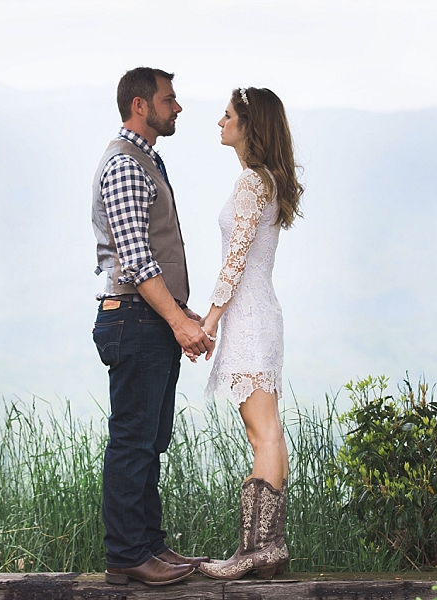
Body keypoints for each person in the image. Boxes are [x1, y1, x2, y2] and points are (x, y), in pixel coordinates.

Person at [91, 67, 214, 586]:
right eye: (170, 98)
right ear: (140, 105)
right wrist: (179, 323)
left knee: (150, 438)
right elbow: (138, 262)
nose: (178, 107)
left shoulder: (145, 159)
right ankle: (125, 555)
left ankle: (148, 546)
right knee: (133, 439)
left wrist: (183, 317)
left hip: (151, 320)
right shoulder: (123, 164)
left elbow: (151, 258)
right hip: (134, 320)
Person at [195, 87, 304, 580]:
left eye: (228, 115)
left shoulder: (249, 184)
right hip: (262, 314)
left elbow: (234, 260)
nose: (220, 121)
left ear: (248, 125)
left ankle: (256, 550)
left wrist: (208, 322)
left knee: (262, 434)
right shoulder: (266, 180)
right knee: (267, 431)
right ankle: (268, 548)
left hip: (248, 317)